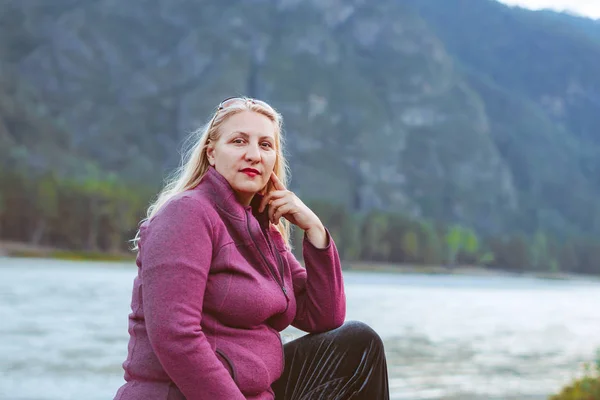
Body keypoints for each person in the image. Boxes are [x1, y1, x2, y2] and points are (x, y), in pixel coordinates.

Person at [113, 97, 390, 400]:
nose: (254, 155)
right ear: (212, 154)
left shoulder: (263, 231)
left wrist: (315, 230)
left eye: (265, 145)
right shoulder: (188, 214)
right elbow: (175, 336)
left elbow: (324, 318)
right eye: (239, 141)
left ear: (274, 159)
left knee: (358, 344)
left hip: (256, 392)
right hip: (182, 394)